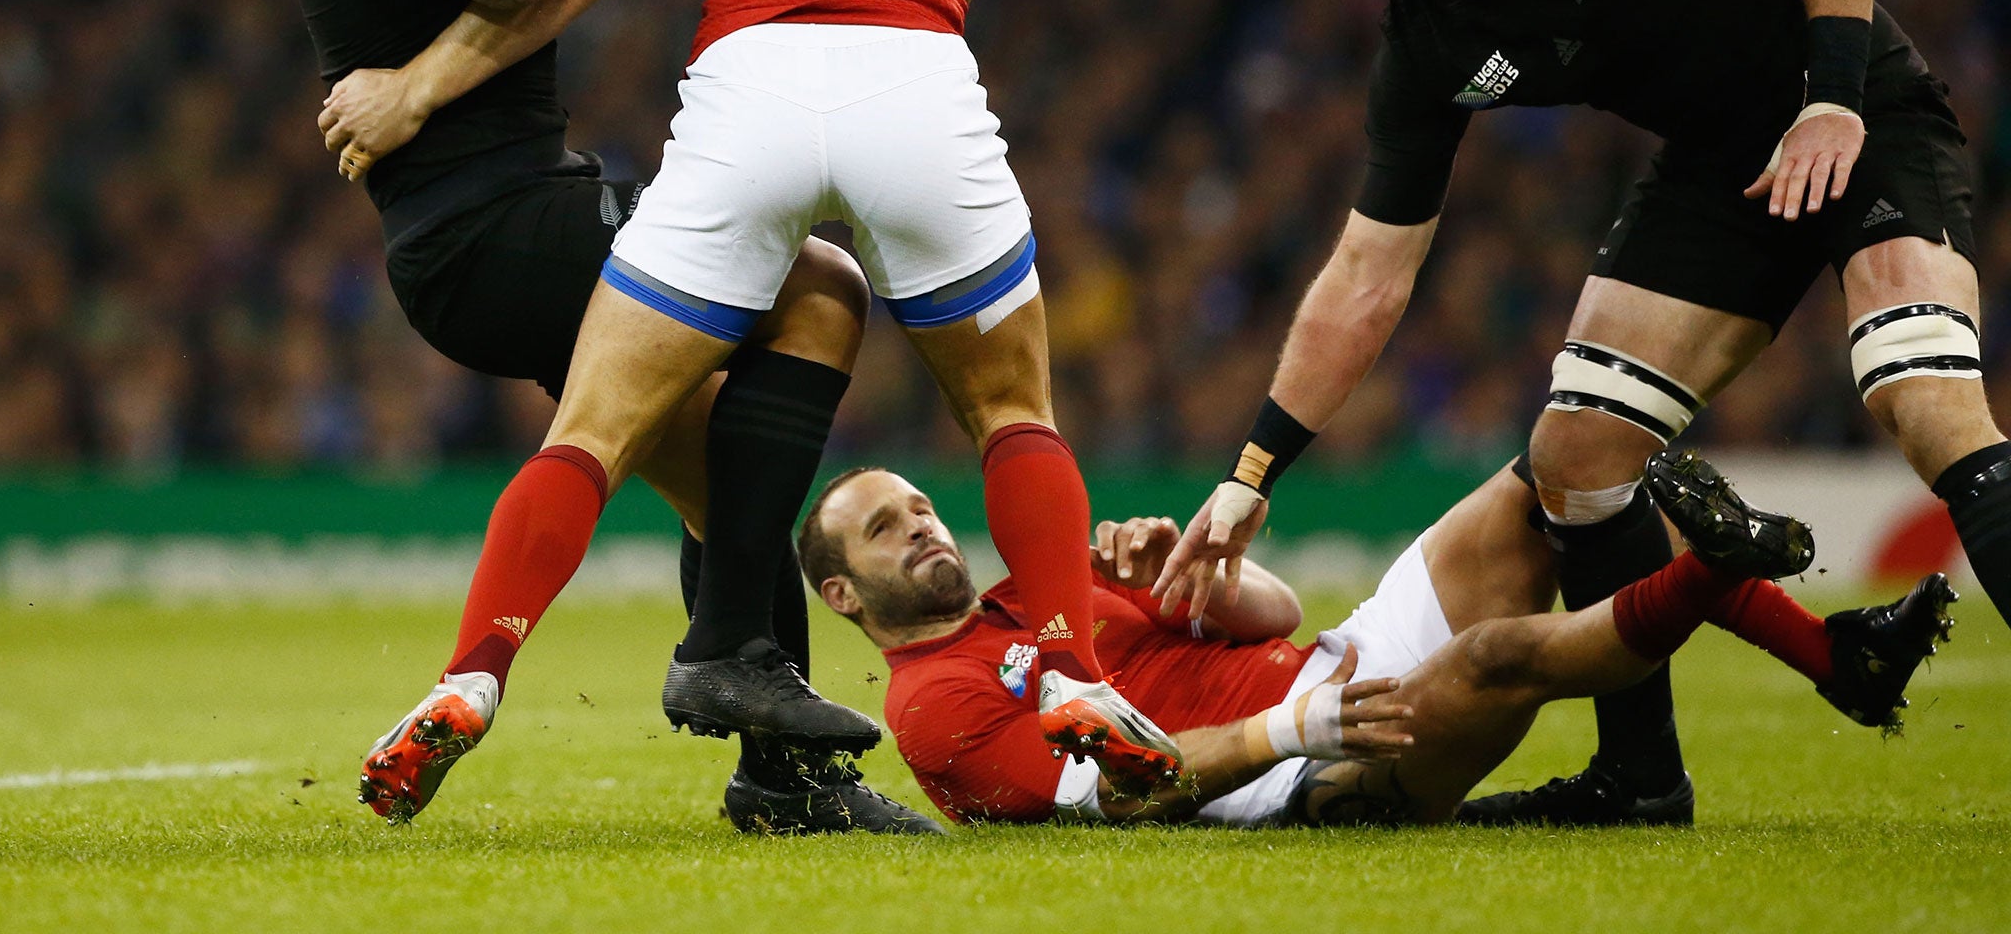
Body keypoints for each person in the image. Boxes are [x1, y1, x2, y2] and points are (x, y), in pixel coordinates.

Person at [320, 0, 1184, 813]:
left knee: (595, 432)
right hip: (915, 75)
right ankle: (1071, 672)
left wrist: (418, 85)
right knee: (1014, 414)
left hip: (754, 82)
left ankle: (474, 675)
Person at [1155, 0, 2007, 825]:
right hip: (1717, 170)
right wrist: (1250, 474)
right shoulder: (1425, 45)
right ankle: (1639, 782)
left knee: (1920, 404)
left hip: (1857, 115)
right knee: (1576, 457)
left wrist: (1830, 101)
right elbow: (1366, 278)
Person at [276, 0, 930, 833]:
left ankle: (764, 775)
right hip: (483, 228)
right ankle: (729, 659)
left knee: (724, 495)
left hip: (524, 222)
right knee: (821, 288)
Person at [801, 451, 1953, 826]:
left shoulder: (1038, 594)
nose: (920, 529)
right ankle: (1712, 566)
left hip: (1326, 667)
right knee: (1499, 656)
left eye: (917, 510)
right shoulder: (932, 710)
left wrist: (1191, 578)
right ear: (843, 598)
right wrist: (1292, 726)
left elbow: (1273, 615)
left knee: (1560, 472)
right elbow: (1120, 790)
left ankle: (1837, 662)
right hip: (1311, 768)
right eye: (883, 532)